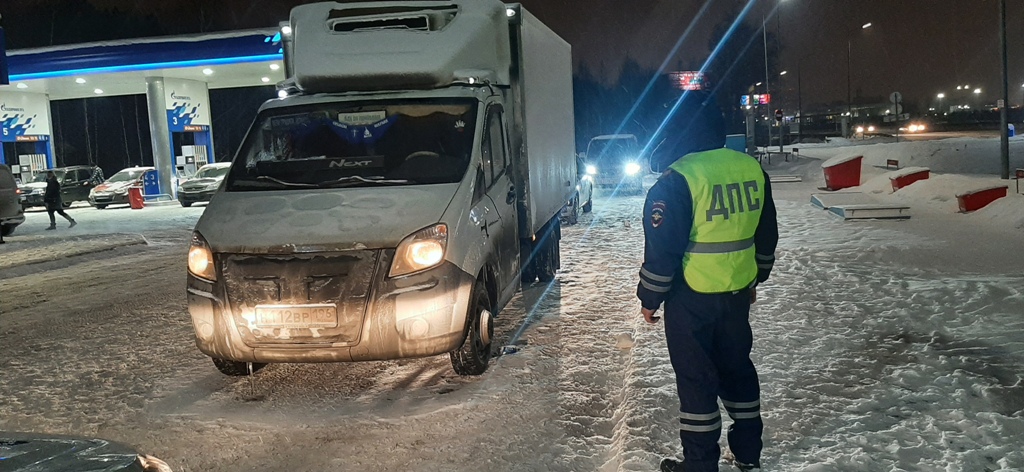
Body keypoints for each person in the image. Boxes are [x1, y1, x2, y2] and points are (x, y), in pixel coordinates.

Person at [636, 92, 778, 472]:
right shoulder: (750, 170)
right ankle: (748, 453)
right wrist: (753, 280)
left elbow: (663, 253)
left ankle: (700, 465)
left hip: (690, 299)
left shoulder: (676, 180)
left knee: (697, 382)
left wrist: (649, 298)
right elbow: (766, 239)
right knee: (737, 370)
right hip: (735, 297)